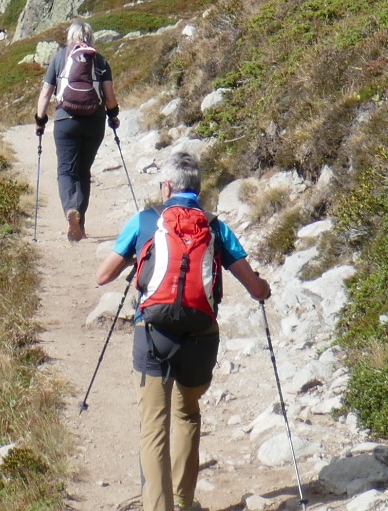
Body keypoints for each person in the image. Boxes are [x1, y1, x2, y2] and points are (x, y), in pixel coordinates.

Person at [93, 152, 271, 511]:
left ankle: (159, 507)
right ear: (197, 188)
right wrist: (264, 289)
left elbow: (103, 275)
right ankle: (184, 503)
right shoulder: (215, 226)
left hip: (153, 334)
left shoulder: (145, 221)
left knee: (154, 427)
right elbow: (254, 287)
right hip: (202, 335)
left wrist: (137, 257)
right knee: (187, 414)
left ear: (168, 186)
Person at [35, 21, 117, 241]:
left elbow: (45, 93)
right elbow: (109, 96)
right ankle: (80, 221)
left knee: (66, 171)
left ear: (70, 36)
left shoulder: (60, 57)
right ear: (91, 37)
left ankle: (71, 210)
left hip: (66, 120)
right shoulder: (99, 60)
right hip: (94, 121)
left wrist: (40, 120)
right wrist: (113, 116)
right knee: (83, 172)